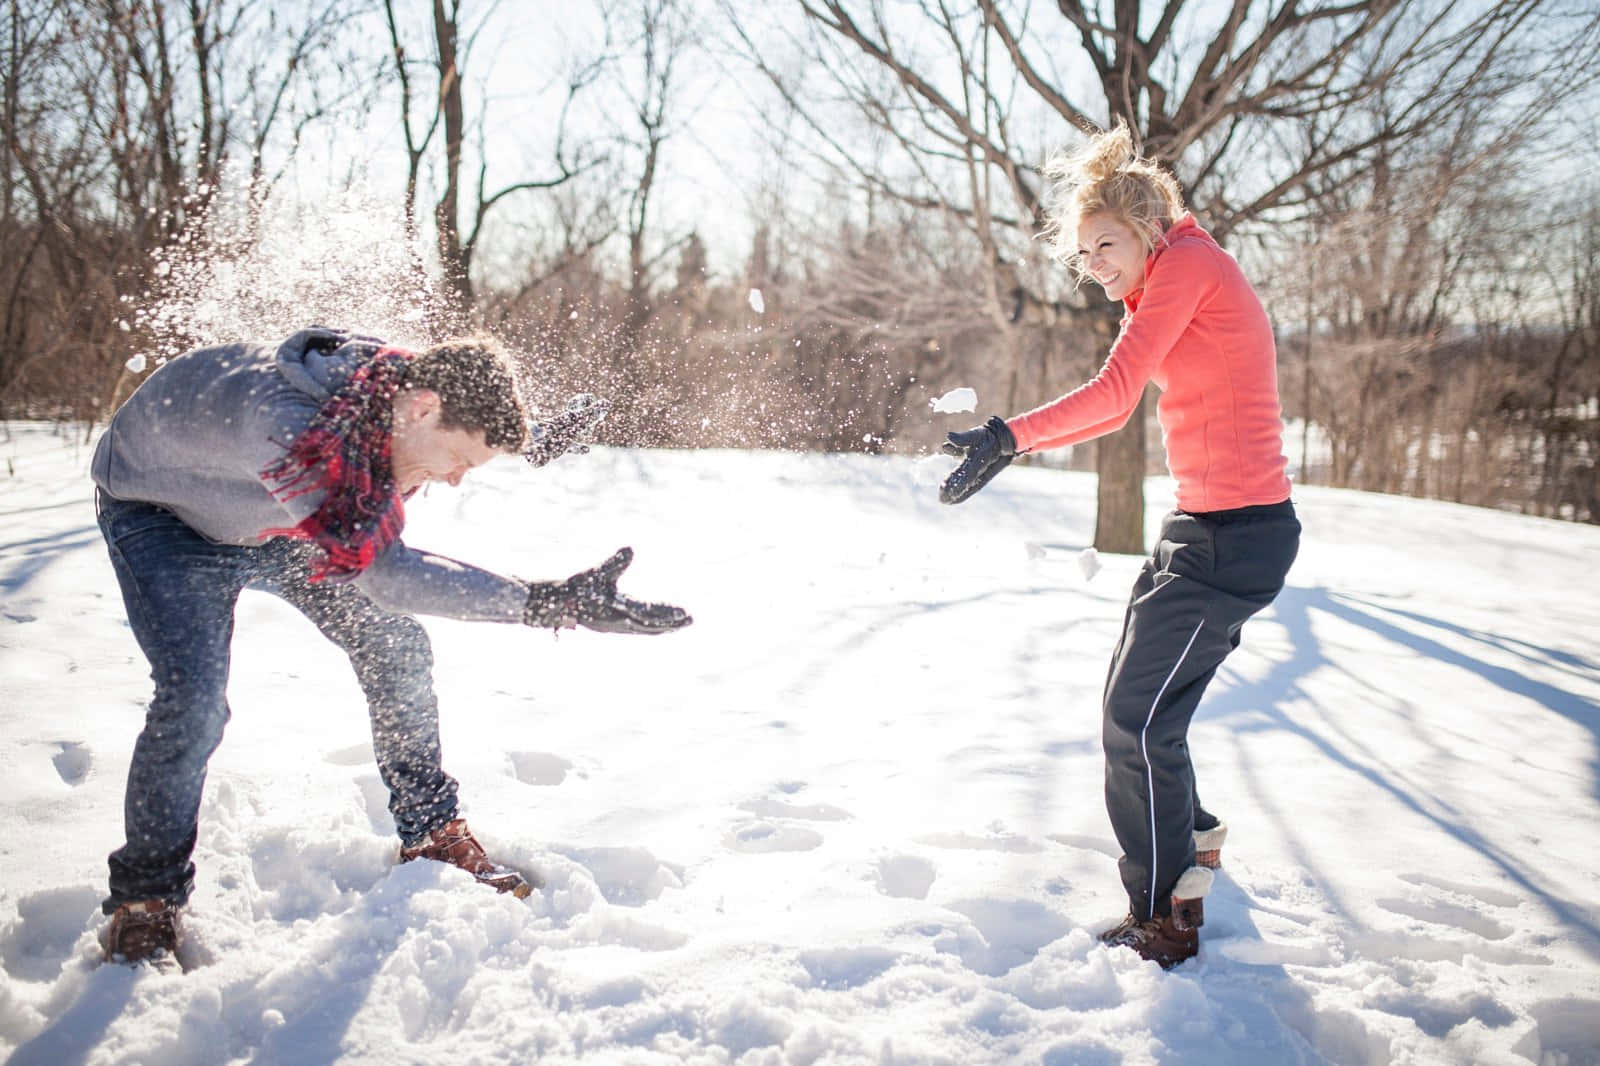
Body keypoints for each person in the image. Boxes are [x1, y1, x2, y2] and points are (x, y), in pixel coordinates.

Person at [91, 326, 691, 966]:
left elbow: (470, 416)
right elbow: (389, 573)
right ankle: (146, 901)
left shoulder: (401, 388)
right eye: (458, 460)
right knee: (195, 699)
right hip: (165, 518)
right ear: (423, 409)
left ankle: (431, 832)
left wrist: (538, 441)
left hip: (280, 520)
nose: (455, 481)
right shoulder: (292, 428)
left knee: (395, 645)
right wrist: (544, 601)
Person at [940, 126, 1301, 969]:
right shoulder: (1174, 277)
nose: (1094, 263)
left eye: (1106, 244)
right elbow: (1116, 409)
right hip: (1202, 527)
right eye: (1083, 251)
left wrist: (1007, 434)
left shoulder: (1188, 266)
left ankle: (1166, 914)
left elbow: (1111, 390)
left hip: (1237, 539)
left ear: (1146, 229)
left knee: (1136, 723)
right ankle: (1197, 838)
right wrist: (1011, 444)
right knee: (1134, 708)